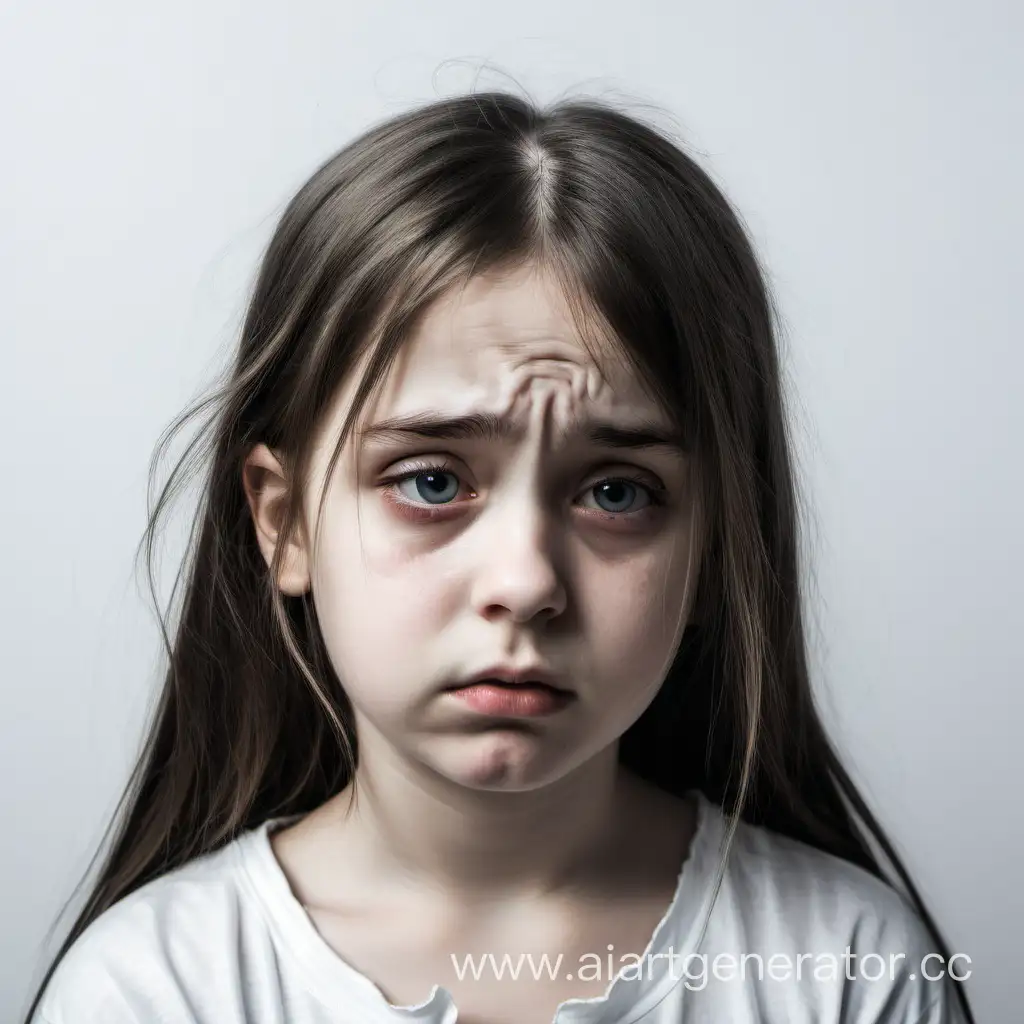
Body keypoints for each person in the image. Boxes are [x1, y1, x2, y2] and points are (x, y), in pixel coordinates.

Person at [23, 89, 974, 1024]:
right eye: (431, 481)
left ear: (713, 549)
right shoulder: (154, 992)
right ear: (286, 524)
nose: (525, 584)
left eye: (617, 493)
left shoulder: (847, 974)